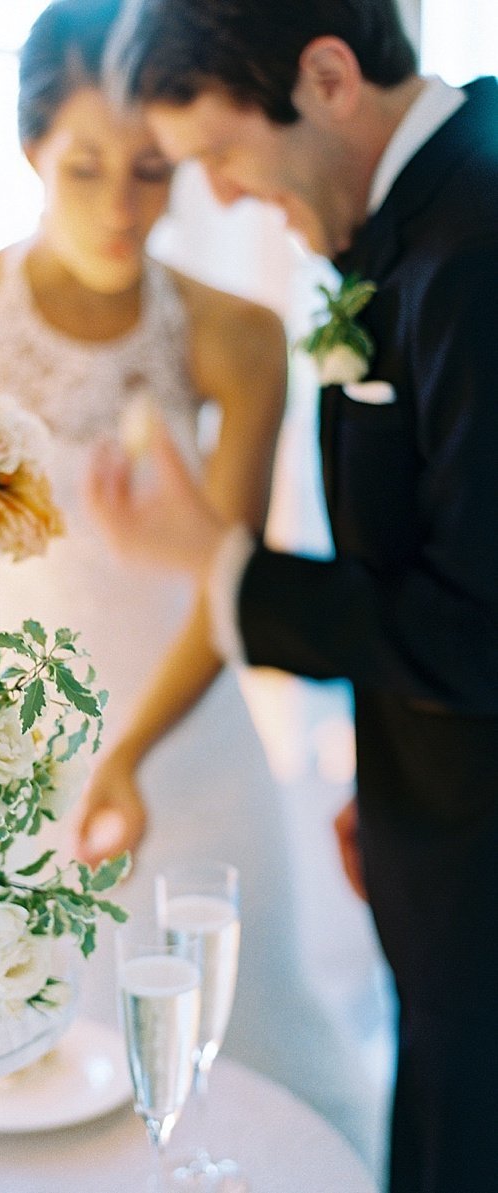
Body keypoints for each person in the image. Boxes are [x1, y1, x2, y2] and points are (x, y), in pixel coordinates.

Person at [0, 0, 385, 1164]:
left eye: (148, 171)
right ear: (32, 149)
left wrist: (130, 751)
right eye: (84, 168)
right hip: (20, 757)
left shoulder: (234, 331)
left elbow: (224, 583)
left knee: (238, 1062)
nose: (119, 207)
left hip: (189, 743)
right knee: (33, 1079)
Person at [87, 3, 498, 1191]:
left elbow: (480, 631)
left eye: (219, 154)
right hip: (442, 832)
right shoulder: (420, 219)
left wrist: (219, 563)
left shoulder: (474, 249)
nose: (213, 195)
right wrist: (393, 787)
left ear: (326, 77)